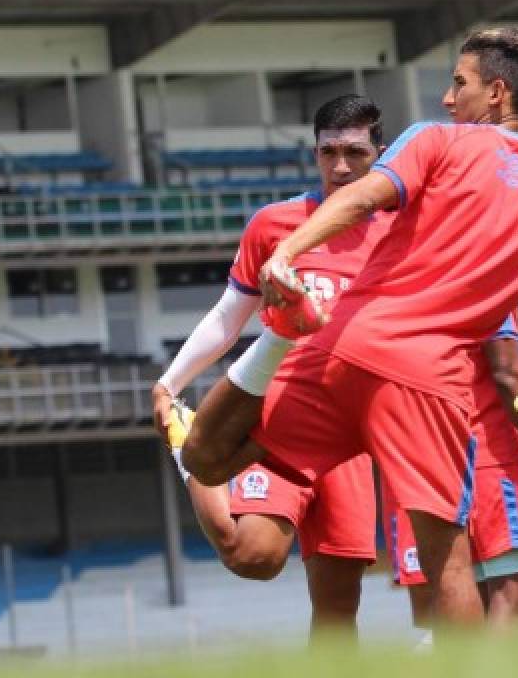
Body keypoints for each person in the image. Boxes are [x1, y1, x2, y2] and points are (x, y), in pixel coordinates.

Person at [182, 27, 518, 628]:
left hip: (342, 342)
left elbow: (360, 200)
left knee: (208, 459)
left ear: (497, 93)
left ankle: (274, 337)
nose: (446, 98)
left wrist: (287, 252)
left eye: (459, 82)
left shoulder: (436, 141)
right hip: (427, 381)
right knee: (452, 568)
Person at [151, 94, 388, 634]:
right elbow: (228, 316)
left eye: (355, 152)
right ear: (314, 154)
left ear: (381, 153)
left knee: (338, 609)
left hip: (353, 435)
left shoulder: (399, 234)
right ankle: (191, 450)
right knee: (254, 556)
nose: (342, 166)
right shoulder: (275, 224)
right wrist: (170, 382)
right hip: (279, 416)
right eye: (329, 152)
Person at [385, 313, 518, 636]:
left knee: (453, 608)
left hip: (414, 456)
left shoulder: (404, 282)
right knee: (514, 595)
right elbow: (507, 373)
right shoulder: (487, 275)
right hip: (485, 454)